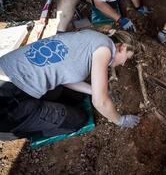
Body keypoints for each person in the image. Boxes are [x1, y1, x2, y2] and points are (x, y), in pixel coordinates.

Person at [0, 29, 140, 140]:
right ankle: (17, 132)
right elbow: (100, 102)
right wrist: (119, 120)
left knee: (77, 96)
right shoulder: (105, 50)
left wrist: (96, 90)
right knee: (78, 119)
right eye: (126, 59)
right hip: (7, 104)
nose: (123, 64)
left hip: (13, 75)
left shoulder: (93, 37)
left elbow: (66, 75)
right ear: (122, 46)